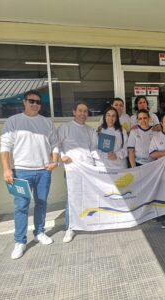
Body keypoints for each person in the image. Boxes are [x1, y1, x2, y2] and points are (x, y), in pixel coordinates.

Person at [0, 90, 59, 259]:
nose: (35, 104)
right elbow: (5, 147)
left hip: (43, 171)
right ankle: (20, 241)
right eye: (31, 101)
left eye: (38, 102)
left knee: (41, 203)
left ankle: (39, 232)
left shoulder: (47, 122)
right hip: (20, 171)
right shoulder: (13, 121)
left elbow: (55, 143)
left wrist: (54, 161)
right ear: (24, 102)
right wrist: (6, 169)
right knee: (21, 206)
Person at [58, 101, 96, 243]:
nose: (83, 114)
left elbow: (93, 149)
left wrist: (96, 167)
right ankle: (70, 227)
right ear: (74, 112)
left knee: (88, 197)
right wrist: (63, 156)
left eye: (85, 111)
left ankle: (86, 223)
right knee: (72, 198)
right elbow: (56, 145)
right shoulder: (65, 127)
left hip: (88, 170)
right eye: (80, 110)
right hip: (72, 170)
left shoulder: (90, 130)